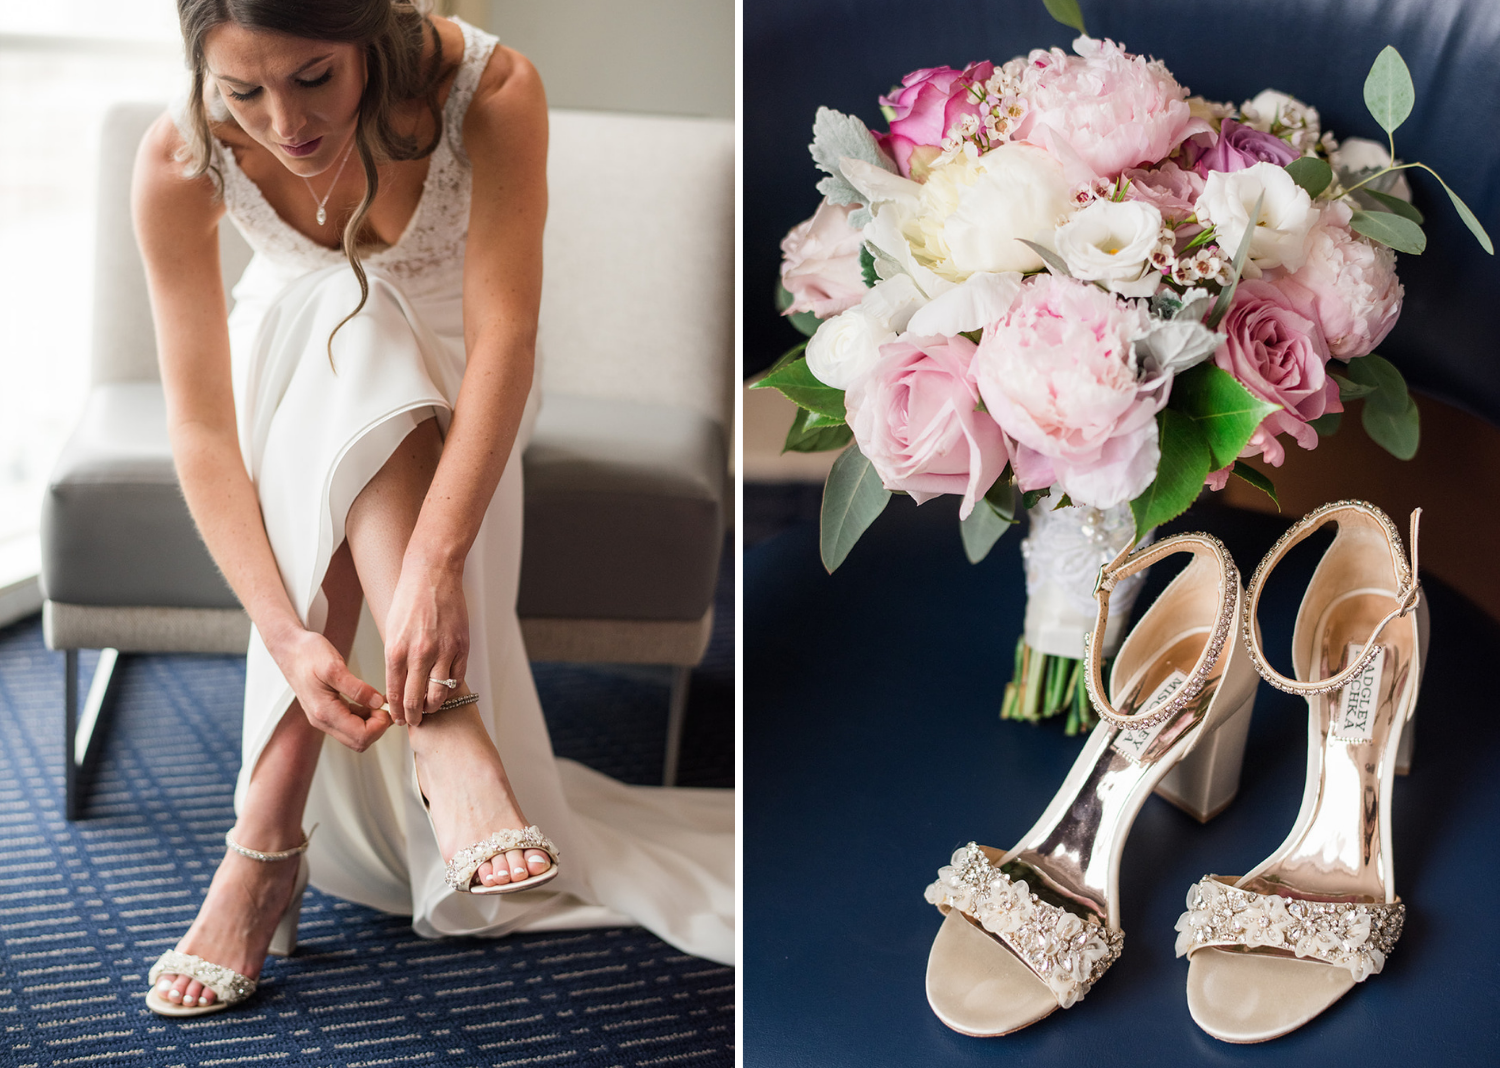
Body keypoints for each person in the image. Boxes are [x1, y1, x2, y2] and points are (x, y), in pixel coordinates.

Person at [130, 0, 732, 1016]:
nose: (284, 122)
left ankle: (262, 846)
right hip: (290, 381)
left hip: (467, 384)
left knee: (364, 326)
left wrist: (435, 568)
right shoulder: (180, 155)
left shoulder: (488, 90)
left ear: (367, 32)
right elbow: (198, 429)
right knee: (334, 311)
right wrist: (285, 636)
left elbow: (507, 341)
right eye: (244, 90)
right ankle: (442, 723)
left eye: (314, 77)